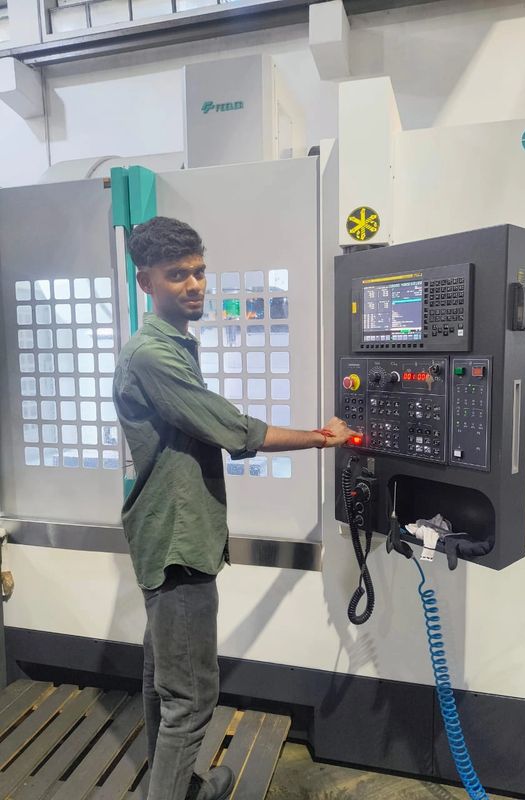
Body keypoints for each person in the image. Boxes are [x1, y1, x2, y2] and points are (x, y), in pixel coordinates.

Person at [113, 216, 356, 800]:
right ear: (146, 282)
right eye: (178, 276)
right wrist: (322, 438)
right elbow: (231, 428)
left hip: (175, 533)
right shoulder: (152, 355)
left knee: (163, 680)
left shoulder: (173, 346)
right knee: (190, 698)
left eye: (199, 272)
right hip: (176, 541)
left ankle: (182, 784)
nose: (195, 285)